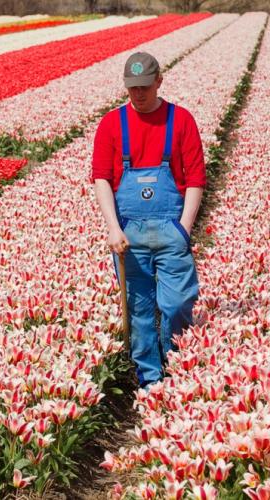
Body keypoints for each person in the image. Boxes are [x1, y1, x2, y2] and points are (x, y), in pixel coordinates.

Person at [92, 52, 206, 389]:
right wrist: (113, 228)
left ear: (159, 81)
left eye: (144, 86)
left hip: (171, 228)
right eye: (132, 88)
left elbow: (196, 178)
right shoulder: (112, 124)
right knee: (139, 309)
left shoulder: (181, 120)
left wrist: (183, 229)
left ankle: (176, 359)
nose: (138, 94)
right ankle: (150, 379)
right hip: (129, 232)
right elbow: (101, 178)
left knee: (178, 302)